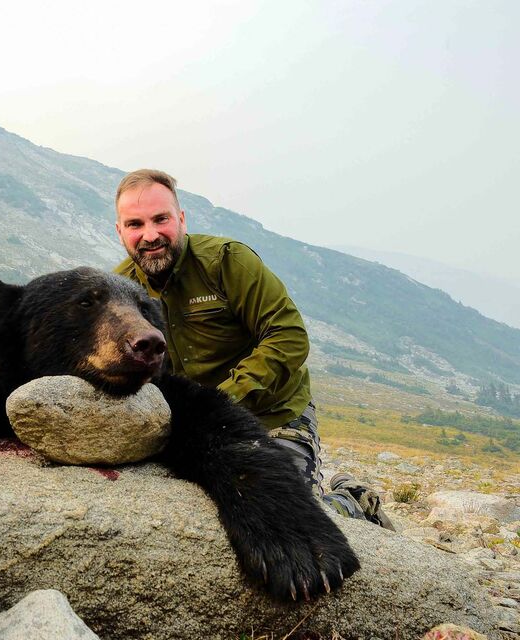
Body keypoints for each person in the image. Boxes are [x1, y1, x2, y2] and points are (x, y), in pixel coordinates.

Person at [113, 168, 392, 529]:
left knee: (292, 518)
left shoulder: (227, 262)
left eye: (160, 219)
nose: (150, 235)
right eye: (135, 224)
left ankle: (352, 501)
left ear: (180, 219)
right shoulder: (121, 289)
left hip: (272, 412)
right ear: (120, 232)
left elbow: (288, 334)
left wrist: (222, 403)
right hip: (196, 425)